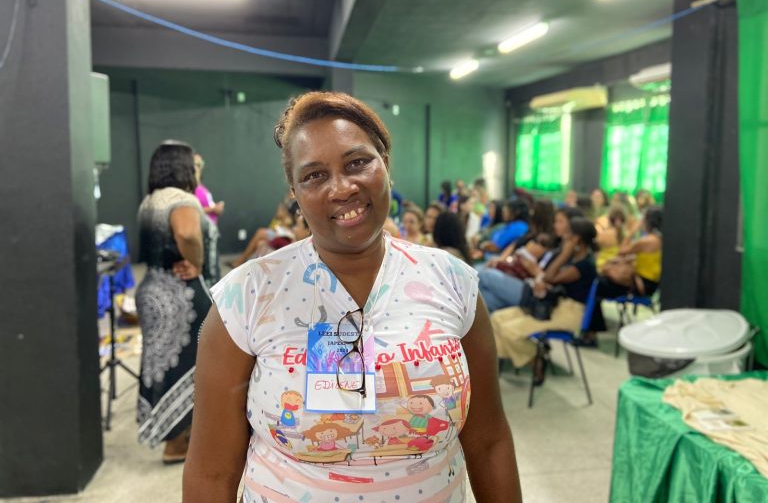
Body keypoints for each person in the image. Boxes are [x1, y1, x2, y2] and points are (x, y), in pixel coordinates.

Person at [183, 92, 522, 502]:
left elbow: (489, 441)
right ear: (294, 193)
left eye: (357, 163)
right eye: (314, 175)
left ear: (386, 165)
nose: (342, 188)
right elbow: (211, 472)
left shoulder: (452, 281)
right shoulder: (249, 295)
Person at [134, 141, 217, 463]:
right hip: (181, 294)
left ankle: (174, 437)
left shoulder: (149, 201)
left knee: (164, 367)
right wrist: (195, 262)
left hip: (152, 289)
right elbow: (187, 234)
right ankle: (178, 442)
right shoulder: (182, 200)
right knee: (196, 364)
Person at [490, 218, 597, 382]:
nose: (563, 238)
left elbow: (550, 277)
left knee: (510, 331)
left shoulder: (585, 265)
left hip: (569, 313)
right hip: (553, 306)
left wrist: (564, 253)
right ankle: (534, 354)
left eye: (567, 235)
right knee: (496, 319)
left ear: (576, 239)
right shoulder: (573, 259)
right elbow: (548, 278)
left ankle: (536, 360)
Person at [193, 154, 225, 226]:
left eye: (201, 165)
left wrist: (216, 208)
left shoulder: (202, 187)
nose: (199, 168)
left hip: (209, 228)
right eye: (197, 164)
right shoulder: (189, 188)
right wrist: (212, 209)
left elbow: (208, 205)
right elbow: (191, 210)